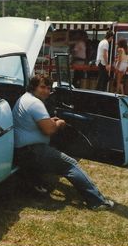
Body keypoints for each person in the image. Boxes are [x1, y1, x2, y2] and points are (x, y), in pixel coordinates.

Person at [12, 74, 114, 210]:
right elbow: (49, 130)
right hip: (32, 151)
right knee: (71, 165)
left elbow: (36, 124)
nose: (46, 91)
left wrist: (49, 121)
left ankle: (35, 187)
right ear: (33, 87)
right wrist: (59, 123)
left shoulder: (25, 98)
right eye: (42, 87)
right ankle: (98, 202)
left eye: (48, 88)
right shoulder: (35, 103)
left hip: (21, 151)